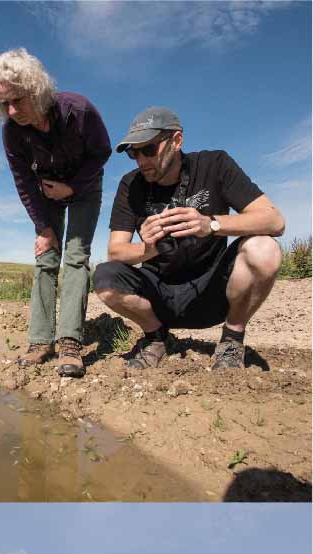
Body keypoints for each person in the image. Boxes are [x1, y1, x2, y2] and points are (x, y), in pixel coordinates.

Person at [93, 107, 285, 371]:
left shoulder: (215, 164)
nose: (141, 161)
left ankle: (231, 340)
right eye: (133, 153)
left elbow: (274, 221)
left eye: (148, 149)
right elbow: (116, 252)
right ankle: (157, 338)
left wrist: (211, 224)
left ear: (177, 141)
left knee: (264, 248)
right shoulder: (130, 185)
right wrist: (148, 248)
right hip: (159, 296)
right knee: (105, 278)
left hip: (214, 292)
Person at [0, 49, 111, 377]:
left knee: (76, 257)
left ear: (35, 90)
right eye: (3, 104)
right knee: (46, 257)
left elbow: (101, 152)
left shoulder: (78, 110)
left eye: (17, 101)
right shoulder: (12, 131)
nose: (10, 110)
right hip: (46, 193)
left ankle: (70, 344)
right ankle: (40, 342)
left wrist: (74, 188)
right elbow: (23, 181)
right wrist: (43, 228)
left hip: (84, 187)